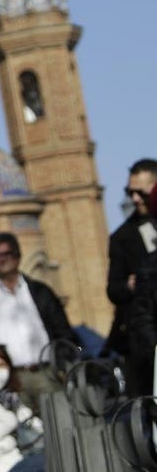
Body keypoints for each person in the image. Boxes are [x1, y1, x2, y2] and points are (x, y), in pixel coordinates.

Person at [0, 233, 79, 415]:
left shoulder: (41, 292)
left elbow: (62, 330)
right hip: (9, 379)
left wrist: (62, 365)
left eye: (7, 254)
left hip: (46, 373)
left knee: (59, 426)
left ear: (17, 256)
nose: (2, 259)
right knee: (23, 433)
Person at [107, 158, 157, 396]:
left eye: (142, 192)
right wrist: (129, 285)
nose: (135, 199)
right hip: (146, 342)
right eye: (130, 192)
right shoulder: (122, 238)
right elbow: (113, 289)